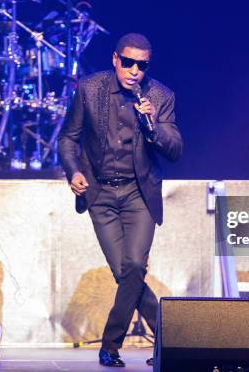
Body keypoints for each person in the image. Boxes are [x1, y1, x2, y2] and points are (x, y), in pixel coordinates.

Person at [58, 33, 183, 367]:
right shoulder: (90, 88)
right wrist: (73, 172)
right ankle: (174, 342)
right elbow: (68, 139)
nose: (134, 71)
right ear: (115, 59)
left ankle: (110, 345)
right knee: (124, 272)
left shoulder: (160, 96)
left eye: (141, 65)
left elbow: (175, 149)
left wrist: (152, 123)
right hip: (100, 194)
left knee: (134, 267)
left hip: (138, 193)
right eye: (127, 63)